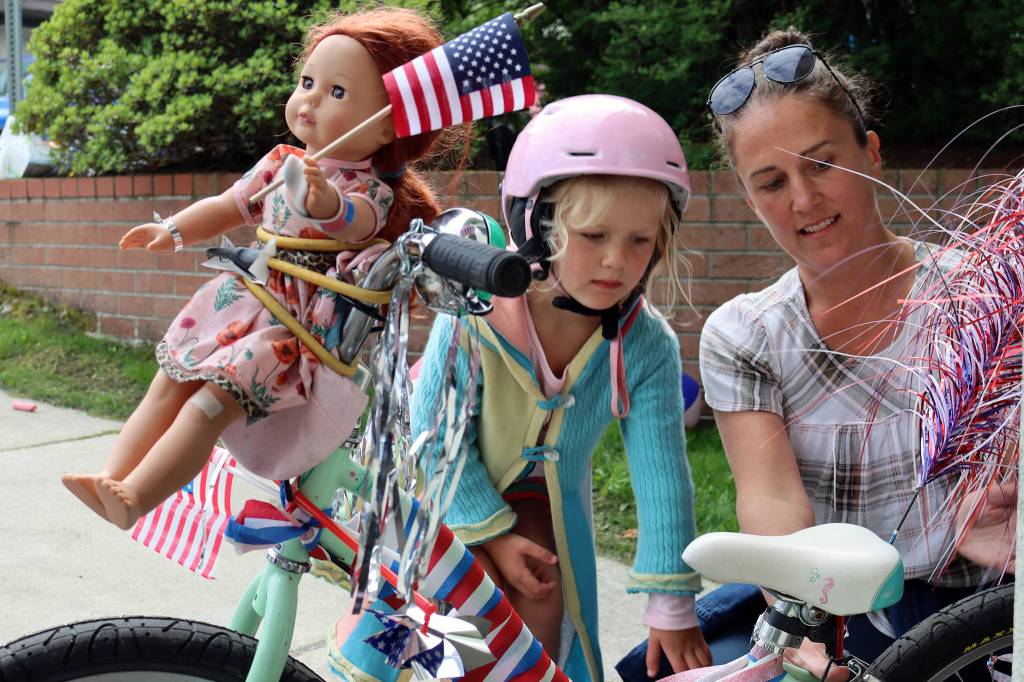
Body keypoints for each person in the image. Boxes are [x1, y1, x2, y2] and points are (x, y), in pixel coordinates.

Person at [618, 28, 1016, 682]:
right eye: (771, 182)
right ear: (749, 199)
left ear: (872, 153)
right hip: (832, 607)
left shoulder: (982, 294)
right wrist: (804, 625)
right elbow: (774, 506)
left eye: (822, 163)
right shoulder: (745, 334)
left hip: (978, 610)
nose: (803, 200)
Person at [331, 94, 709, 682]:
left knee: (543, 617)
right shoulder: (477, 303)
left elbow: (662, 475)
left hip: (552, 506)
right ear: (536, 225)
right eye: (593, 235)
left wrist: (673, 608)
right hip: (442, 485)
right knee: (437, 623)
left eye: (640, 240)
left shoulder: (645, 345)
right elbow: (433, 437)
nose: (616, 261)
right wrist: (496, 534)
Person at [61, 7, 458, 530]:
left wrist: (323, 201)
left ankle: (134, 496)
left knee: (210, 404)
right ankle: (110, 475)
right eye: (307, 82)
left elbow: (351, 222)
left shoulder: (370, 193)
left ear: (386, 124)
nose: (310, 100)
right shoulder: (279, 162)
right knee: (168, 382)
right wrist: (174, 230)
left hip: (288, 331)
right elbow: (231, 205)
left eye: (337, 93)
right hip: (239, 301)